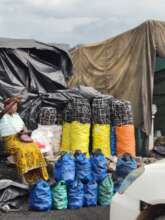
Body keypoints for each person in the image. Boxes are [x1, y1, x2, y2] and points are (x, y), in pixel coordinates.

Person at [0, 96, 49, 184]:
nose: (15, 107)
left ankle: (38, 175)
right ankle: (24, 178)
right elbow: (4, 111)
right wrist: (13, 100)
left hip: (21, 138)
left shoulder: (17, 115)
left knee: (35, 148)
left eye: (16, 106)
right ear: (7, 107)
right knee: (21, 151)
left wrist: (24, 131)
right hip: (10, 141)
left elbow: (24, 127)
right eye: (13, 106)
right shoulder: (2, 115)